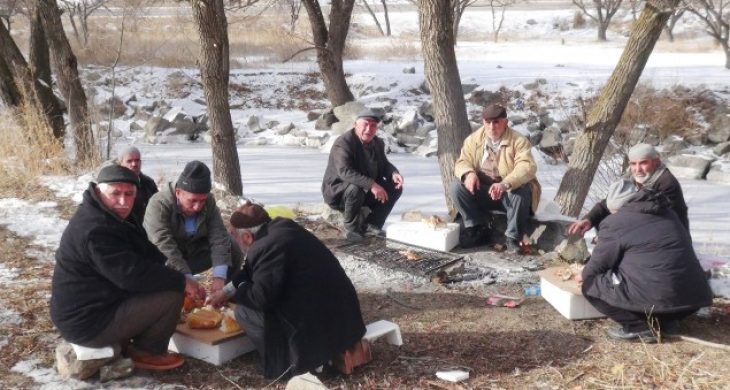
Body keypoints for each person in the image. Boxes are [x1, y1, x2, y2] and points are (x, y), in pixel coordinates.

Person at [50, 165, 204, 371]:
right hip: (87, 322)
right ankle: (146, 351)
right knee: (171, 294)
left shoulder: (110, 214)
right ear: (98, 191)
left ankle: (127, 339)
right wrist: (181, 281)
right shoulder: (94, 229)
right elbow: (131, 275)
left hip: (99, 303)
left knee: (165, 280)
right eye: (115, 193)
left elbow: (143, 250)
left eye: (129, 194)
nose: (123, 201)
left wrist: (172, 265)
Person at [208, 203, 366, 379]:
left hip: (320, 326)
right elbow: (251, 269)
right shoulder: (280, 230)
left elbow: (260, 299)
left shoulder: (266, 248)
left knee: (244, 312)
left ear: (246, 237)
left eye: (233, 236)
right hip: (344, 316)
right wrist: (226, 291)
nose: (233, 240)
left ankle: (284, 364)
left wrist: (240, 291)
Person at [579, 183, 712, 343]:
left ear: (618, 207)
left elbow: (598, 265)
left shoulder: (617, 221)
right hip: (693, 299)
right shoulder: (668, 212)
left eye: (613, 211)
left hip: (660, 298)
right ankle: (667, 320)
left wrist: (583, 274)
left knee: (590, 284)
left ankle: (638, 327)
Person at [451, 103, 541, 252]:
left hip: (508, 193)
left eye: (496, 122)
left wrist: (505, 184)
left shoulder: (518, 141)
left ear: (505, 122)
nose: (492, 127)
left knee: (522, 193)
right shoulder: (474, 140)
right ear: (483, 123)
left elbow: (526, 167)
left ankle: (513, 237)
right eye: (488, 122)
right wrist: (469, 174)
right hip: (484, 191)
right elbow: (462, 162)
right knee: (456, 187)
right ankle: (476, 227)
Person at [144, 160, 241, 294]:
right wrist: (187, 279)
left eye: (202, 201)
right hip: (165, 262)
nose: (197, 207)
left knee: (232, 245)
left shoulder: (209, 201)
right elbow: (163, 246)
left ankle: (224, 294)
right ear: (178, 192)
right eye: (192, 201)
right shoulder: (158, 204)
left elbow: (218, 236)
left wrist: (220, 277)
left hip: (193, 255)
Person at [567, 143, 689, 237]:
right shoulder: (632, 177)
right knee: (607, 216)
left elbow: (650, 219)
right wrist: (589, 220)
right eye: (633, 164)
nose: (637, 169)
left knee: (613, 221)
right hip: (640, 232)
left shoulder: (666, 182)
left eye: (643, 163)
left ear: (656, 162)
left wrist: (613, 236)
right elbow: (608, 203)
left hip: (668, 240)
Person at [321, 108, 404, 242]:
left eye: (373, 126)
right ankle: (351, 228)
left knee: (396, 187)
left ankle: (372, 224)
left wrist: (394, 173)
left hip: (364, 190)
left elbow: (384, 165)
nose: (368, 129)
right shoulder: (343, 143)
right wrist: (372, 185)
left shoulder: (377, 142)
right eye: (365, 124)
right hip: (339, 192)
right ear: (356, 125)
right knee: (356, 188)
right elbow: (345, 172)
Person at [116, 146, 158, 222]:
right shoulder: (113, 185)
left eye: (137, 160)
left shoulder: (149, 183)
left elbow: (158, 209)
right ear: (120, 163)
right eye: (129, 161)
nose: (134, 164)